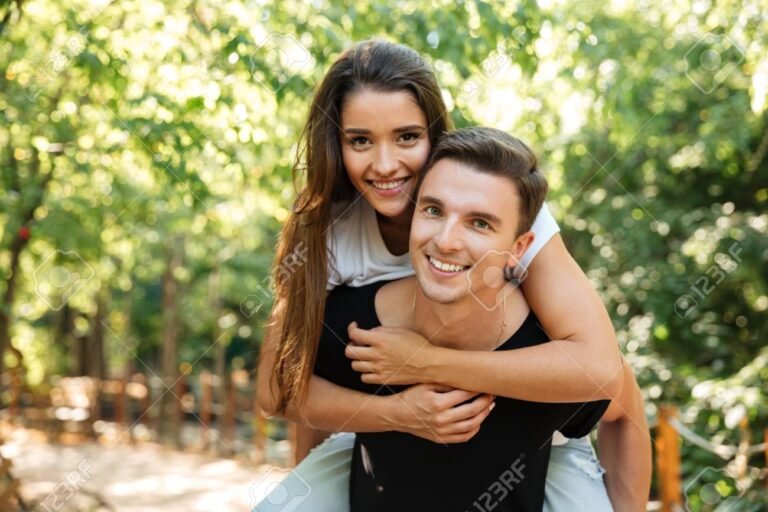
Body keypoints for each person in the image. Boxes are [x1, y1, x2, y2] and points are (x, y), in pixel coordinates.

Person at [254, 40, 650, 511]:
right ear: (337, 145)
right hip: (385, 431)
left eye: (406, 137)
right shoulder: (324, 235)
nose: (385, 165)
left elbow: (602, 370)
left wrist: (427, 363)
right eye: (360, 140)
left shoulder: (509, 208)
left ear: (435, 135)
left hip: (543, 437)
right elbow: (279, 387)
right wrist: (397, 413)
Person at [315, 127, 636, 511]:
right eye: (433, 210)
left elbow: (624, 408)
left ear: (518, 249)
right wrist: (393, 415)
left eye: (480, 223)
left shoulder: (548, 356)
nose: (447, 240)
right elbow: (290, 394)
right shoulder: (357, 328)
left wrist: (428, 363)